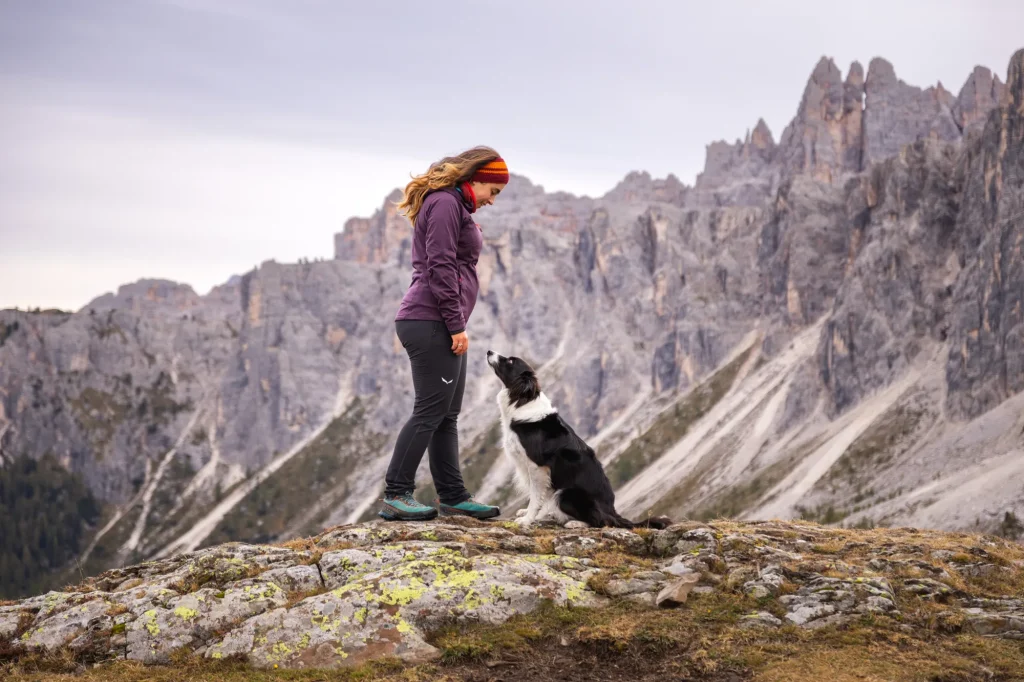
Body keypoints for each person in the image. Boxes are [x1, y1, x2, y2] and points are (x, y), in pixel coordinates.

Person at [379, 146, 509, 521]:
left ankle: (452, 496)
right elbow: (439, 265)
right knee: (430, 410)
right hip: (431, 321)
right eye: (493, 191)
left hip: (439, 321)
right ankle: (396, 493)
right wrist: (455, 325)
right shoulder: (445, 203)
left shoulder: (454, 206)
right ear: (478, 178)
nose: (491, 201)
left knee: (447, 414)